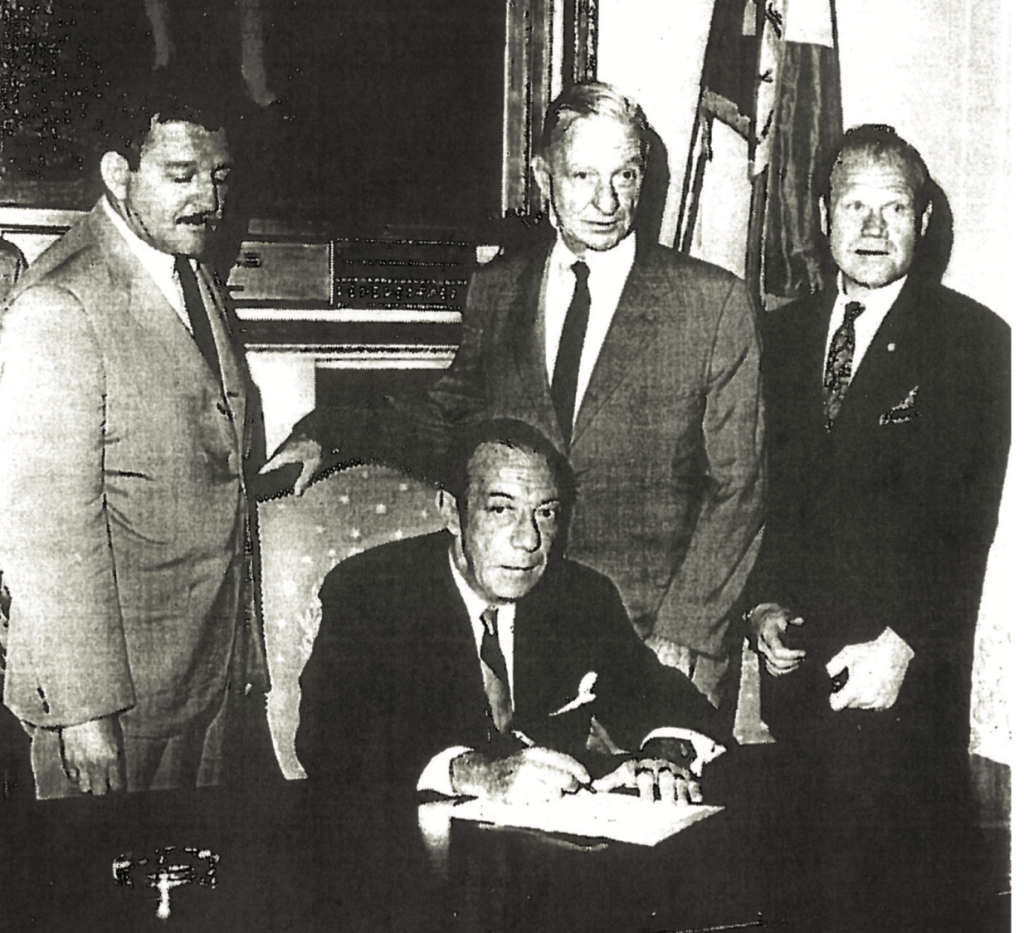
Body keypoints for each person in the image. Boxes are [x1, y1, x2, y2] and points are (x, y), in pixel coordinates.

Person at [266, 82, 765, 707]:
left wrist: (687, 632)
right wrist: (328, 431)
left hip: (657, 646)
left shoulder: (713, 304)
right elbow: (444, 420)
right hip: (527, 645)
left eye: (626, 175)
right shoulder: (498, 290)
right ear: (542, 175)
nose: (607, 200)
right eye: (583, 174)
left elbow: (739, 489)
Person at [744, 125, 1010, 928]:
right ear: (822, 215)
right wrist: (759, 605)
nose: (870, 227)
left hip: (906, 693)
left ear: (924, 220)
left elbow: (967, 520)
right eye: (853, 205)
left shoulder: (974, 341)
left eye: (893, 207)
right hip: (798, 693)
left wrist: (902, 643)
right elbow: (759, 493)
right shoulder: (778, 335)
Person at [0, 74, 274, 799]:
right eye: (181, 175)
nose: (209, 199)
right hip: (113, 706)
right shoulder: (58, 304)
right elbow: (44, 532)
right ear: (118, 174)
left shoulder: (187, 266)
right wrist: (85, 713)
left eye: (219, 176)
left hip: (206, 675)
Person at [296, 418, 728, 811]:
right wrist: (475, 773)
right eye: (501, 509)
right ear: (452, 511)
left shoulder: (580, 596)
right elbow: (327, 738)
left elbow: (658, 693)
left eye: (545, 513)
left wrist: (666, 754)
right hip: (405, 851)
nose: (528, 540)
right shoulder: (371, 591)